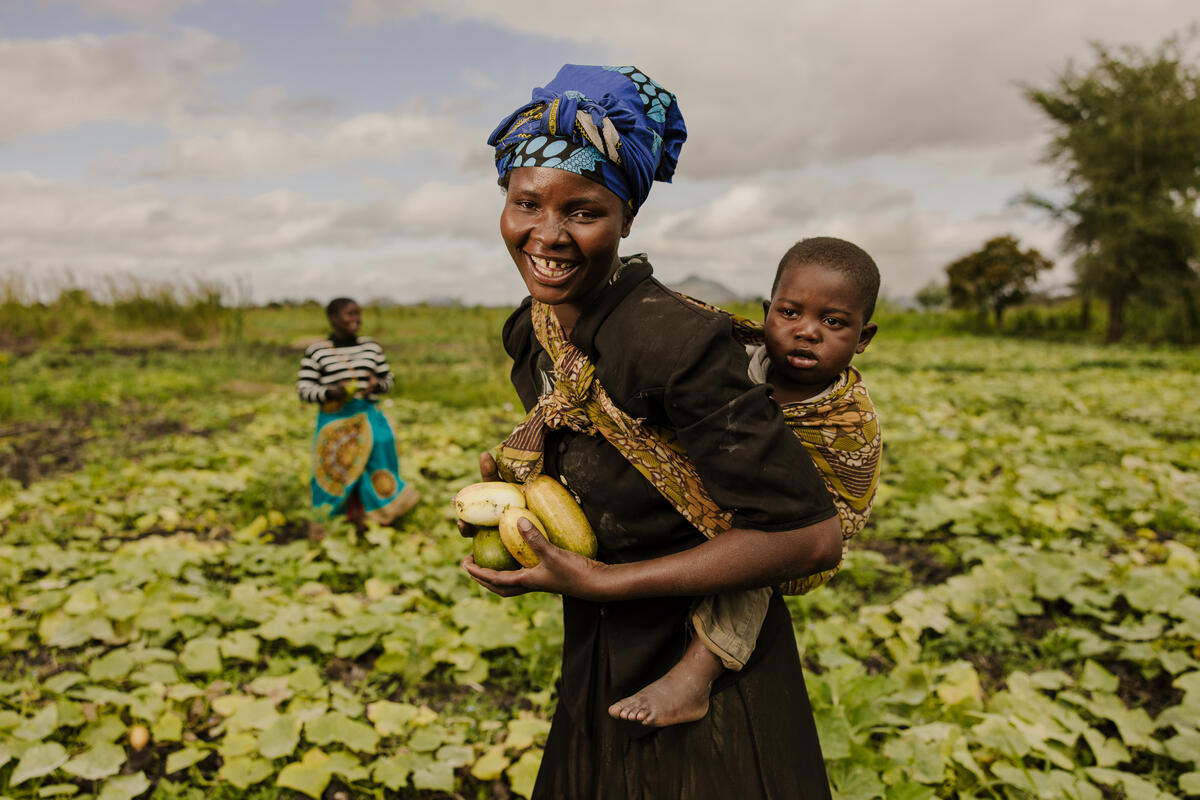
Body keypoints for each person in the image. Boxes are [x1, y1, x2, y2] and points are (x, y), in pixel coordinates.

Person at [461, 64, 841, 800]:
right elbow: (596, 461)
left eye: (584, 211)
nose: (548, 233)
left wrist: (605, 582)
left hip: (707, 670)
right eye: (526, 203)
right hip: (601, 648)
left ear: (628, 217)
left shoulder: (677, 343)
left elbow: (808, 537)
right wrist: (526, 503)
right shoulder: (533, 329)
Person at [609, 236, 882, 727]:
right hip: (725, 493)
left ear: (863, 338)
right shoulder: (733, 364)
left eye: (833, 322)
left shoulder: (845, 421)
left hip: (800, 535)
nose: (807, 332)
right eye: (790, 313)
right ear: (766, 312)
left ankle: (700, 669)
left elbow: (831, 514)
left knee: (759, 560)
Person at [297, 298, 419, 530]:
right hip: (335, 421)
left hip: (369, 415)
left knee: (379, 460)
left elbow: (388, 380)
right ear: (333, 319)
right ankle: (329, 522)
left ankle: (378, 517)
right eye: (349, 315)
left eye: (358, 314)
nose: (356, 319)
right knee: (336, 469)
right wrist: (333, 392)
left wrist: (376, 386)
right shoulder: (317, 352)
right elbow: (304, 390)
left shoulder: (370, 348)